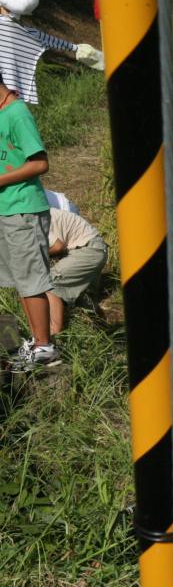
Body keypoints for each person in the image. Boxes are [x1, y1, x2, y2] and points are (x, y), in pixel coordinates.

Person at [0, 76, 54, 370]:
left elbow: (39, 162)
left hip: (24, 209)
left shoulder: (17, 113)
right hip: (6, 209)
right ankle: (34, 342)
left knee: (32, 280)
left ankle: (44, 345)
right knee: (21, 280)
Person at [42, 192, 107, 335]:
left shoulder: (33, 220)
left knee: (50, 281)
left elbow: (57, 246)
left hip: (89, 248)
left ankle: (55, 332)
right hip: (89, 246)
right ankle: (94, 330)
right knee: (83, 300)